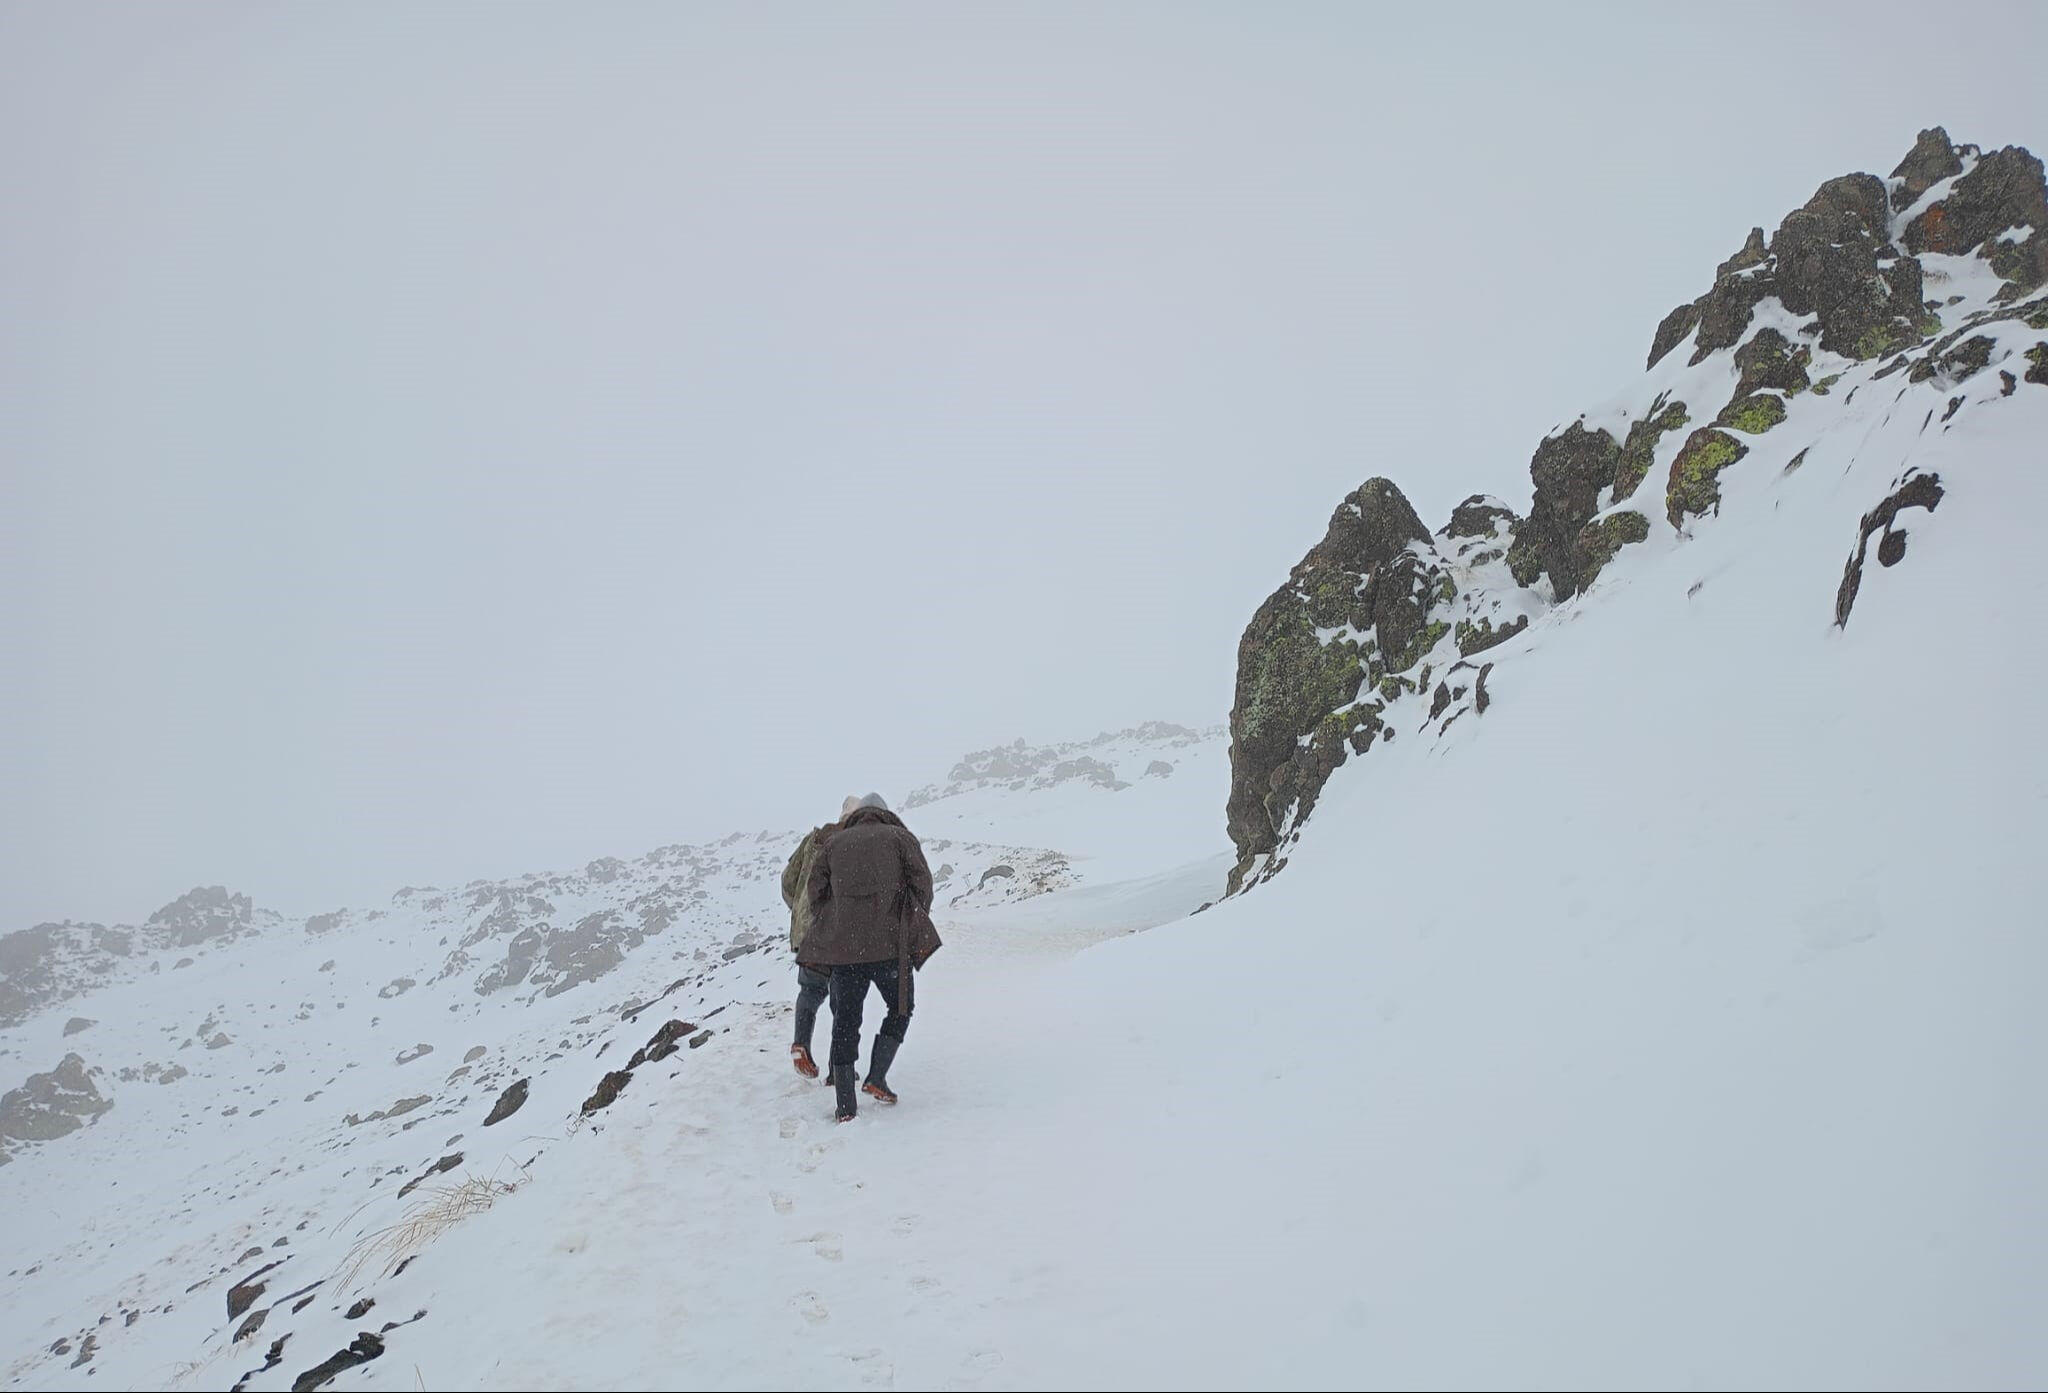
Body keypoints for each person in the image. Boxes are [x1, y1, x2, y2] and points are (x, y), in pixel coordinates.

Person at [803, 792, 935, 1122]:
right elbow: (923, 884)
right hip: (891, 948)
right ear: (883, 813)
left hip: (846, 952)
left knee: (846, 1020)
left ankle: (845, 1106)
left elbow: (814, 890)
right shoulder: (900, 838)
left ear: (859, 815)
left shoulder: (835, 844)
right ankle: (877, 1076)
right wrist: (910, 918)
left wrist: (834, 919)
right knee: (901, 1007)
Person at [780, 800, 858, 1080]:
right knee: (844, 1001)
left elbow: (788, 881)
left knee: (810, 989)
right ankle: (839, 1069)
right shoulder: (857, 846)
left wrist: (800, 911)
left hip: (809, 932)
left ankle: (801, 1044)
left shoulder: (813, 840)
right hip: (840, 934)